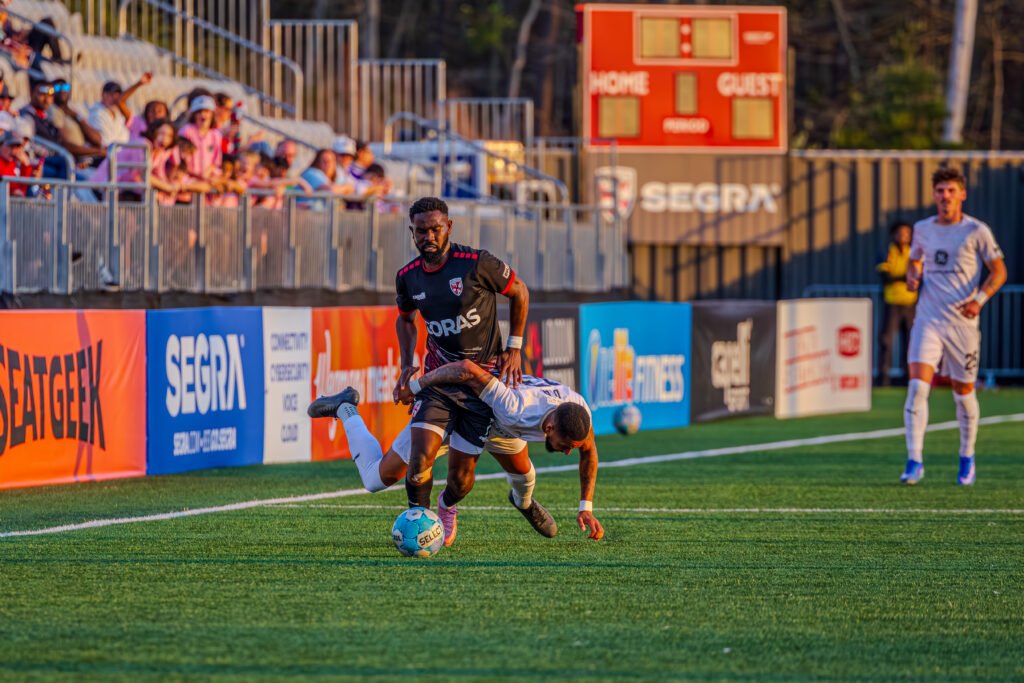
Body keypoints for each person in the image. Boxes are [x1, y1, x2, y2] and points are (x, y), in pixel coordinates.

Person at [308, 364, 604, 543]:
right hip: (461, 416)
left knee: (526, 478)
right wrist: (416, 386)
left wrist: (585, 506)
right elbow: (465, 370)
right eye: (565, 445)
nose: (568, 453)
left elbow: (588, 452)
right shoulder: (516, 406)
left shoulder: (578, 414)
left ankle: (522, 503)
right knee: (375, 479)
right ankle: (346, 407)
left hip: (503, 429)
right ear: (550, 425)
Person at [386, 196, 528, 545]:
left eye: (436, 229)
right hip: (439, 379)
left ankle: (447, 506)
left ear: (449, 227)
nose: (429, 237)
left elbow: (520, 292)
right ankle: (416, 525)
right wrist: (407, 364)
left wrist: (515, 346)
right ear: (412, 232)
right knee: (420, 458)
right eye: (421, 231)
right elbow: (405, 320)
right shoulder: (407, 277)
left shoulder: (477, 263)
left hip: (482, 384)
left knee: (461, 479)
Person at [900, 166, 1007, 486]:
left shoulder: (976, 231)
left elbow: (999, 272)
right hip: (928, 320)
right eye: (939, 191)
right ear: (933, 195)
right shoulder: (922, 229)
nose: (945, 196)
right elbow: (915, 259)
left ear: (962, 194)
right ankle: (914, 460)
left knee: (964, 394)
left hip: (962, 325)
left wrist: (979, 300)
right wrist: (913, 274)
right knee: (918, 387)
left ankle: (966, 457)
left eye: (950, 191)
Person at [876, 221, 917, 386]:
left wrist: (899, 277)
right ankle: (883, 379)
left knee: (910, 343)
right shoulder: (887, 252)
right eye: (900, 233)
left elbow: (920, 275)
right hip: (892, 303)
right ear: (893, 235)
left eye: (907, 234)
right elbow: (886, 277)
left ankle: (908, 379)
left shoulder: (914, 252)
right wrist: (906, 277)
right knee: (886, 341)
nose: (904, 237)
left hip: (910, 303)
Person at [87, 74, 152, 148]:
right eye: (111, 95)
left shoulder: (119, 114)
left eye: (117, 96)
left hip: (119, 154)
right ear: (103, 95)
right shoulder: (96, 114)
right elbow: (104, 141)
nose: (114, 99)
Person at [178, 95, 222, 182]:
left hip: (208, 178)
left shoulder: (216, 135)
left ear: (212, 114)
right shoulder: (186, 131)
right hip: (188, 178)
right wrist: (198, 176)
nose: (203, 115)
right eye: (199, 112)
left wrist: (207, 174)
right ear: (194, 115)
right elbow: (180, 160)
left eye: (206, 111)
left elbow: (216, 161)